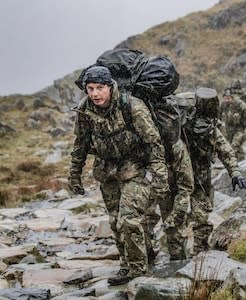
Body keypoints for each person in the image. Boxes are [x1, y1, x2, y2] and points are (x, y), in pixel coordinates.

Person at [68, 66, 169, 285]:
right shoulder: (85, 110)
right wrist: (74, 176)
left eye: (100, 88)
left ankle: (137, 271)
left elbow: (154, 144)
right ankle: (127, 264)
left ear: (110, 86)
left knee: (129, 220)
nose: (95, 93)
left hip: (135, 169)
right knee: (115, 222)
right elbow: (81, 145)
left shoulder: (132, 106)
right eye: (90, 88)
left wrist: (160, 177)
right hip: (107, 172)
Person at [184, 87, 246, 254]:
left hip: (200, 174)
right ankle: (176, 255)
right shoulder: (180, 122)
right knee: (177, 214)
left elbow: (225, 150)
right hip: (178, 173)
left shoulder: (211, 127)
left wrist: (235, 173)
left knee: (201, 214)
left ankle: (198, 253)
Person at [145, 138, 194, 261]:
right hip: (147, 187)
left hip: (173, 189)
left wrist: (177, 214)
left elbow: (186, 186)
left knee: (175, 232)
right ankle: (145, 259)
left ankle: (178, 263)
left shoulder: (175, 146)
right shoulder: (142, 142)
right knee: (138, 225)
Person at [220, 88, 246, 161]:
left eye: (228, 97)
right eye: (225, 97)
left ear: (232, 97)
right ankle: (241, 162)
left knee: (234, 145)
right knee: (234, 148)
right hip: (228, 130)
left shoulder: (240, 105)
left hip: (240, 129)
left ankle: (235, 163)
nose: (227, 99)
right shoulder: (223, 105)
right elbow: (218, 116)